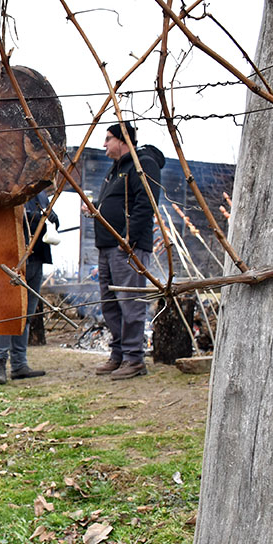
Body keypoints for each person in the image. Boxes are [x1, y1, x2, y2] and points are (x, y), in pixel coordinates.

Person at [90, 120, 164, 380]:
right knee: (110, 304)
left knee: (130, 303)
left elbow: (146, 203)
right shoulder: (115, 170)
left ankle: (134, 358)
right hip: (107, 247)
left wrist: (129, 239)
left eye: (108, 138)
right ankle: (119, 354)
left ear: (123, 140)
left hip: (127, 248)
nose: (104, 144)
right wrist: (97, 210)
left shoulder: (142, 164)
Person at [0, 191, 58, 384]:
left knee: (26, 315)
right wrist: (37, 217)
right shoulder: (12, 190)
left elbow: (51, 223)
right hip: (14, 260)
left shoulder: (42, 194)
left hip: (37, 258)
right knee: (6, 314)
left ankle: (19, 364)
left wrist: (53, 219)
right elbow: (6, 220)